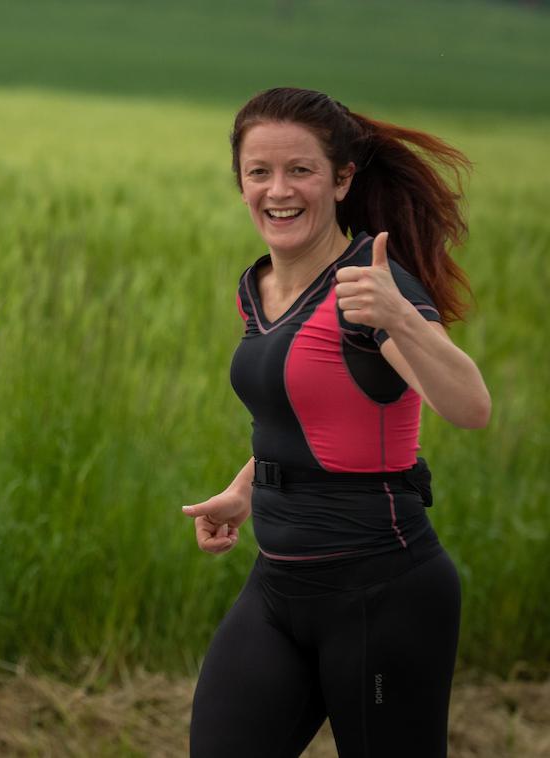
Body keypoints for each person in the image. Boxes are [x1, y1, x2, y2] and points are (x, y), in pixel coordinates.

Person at [181, 87, 490, 757]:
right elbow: (305, 408)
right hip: (279, 586)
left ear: (342, 178)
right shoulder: (258, 285)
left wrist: (400, 315)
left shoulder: (372, 289)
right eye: (259, 171)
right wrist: (247, 488)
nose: (278, 189)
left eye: (301, 170)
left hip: (383, 592)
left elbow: (470, 407)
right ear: (240, 182)